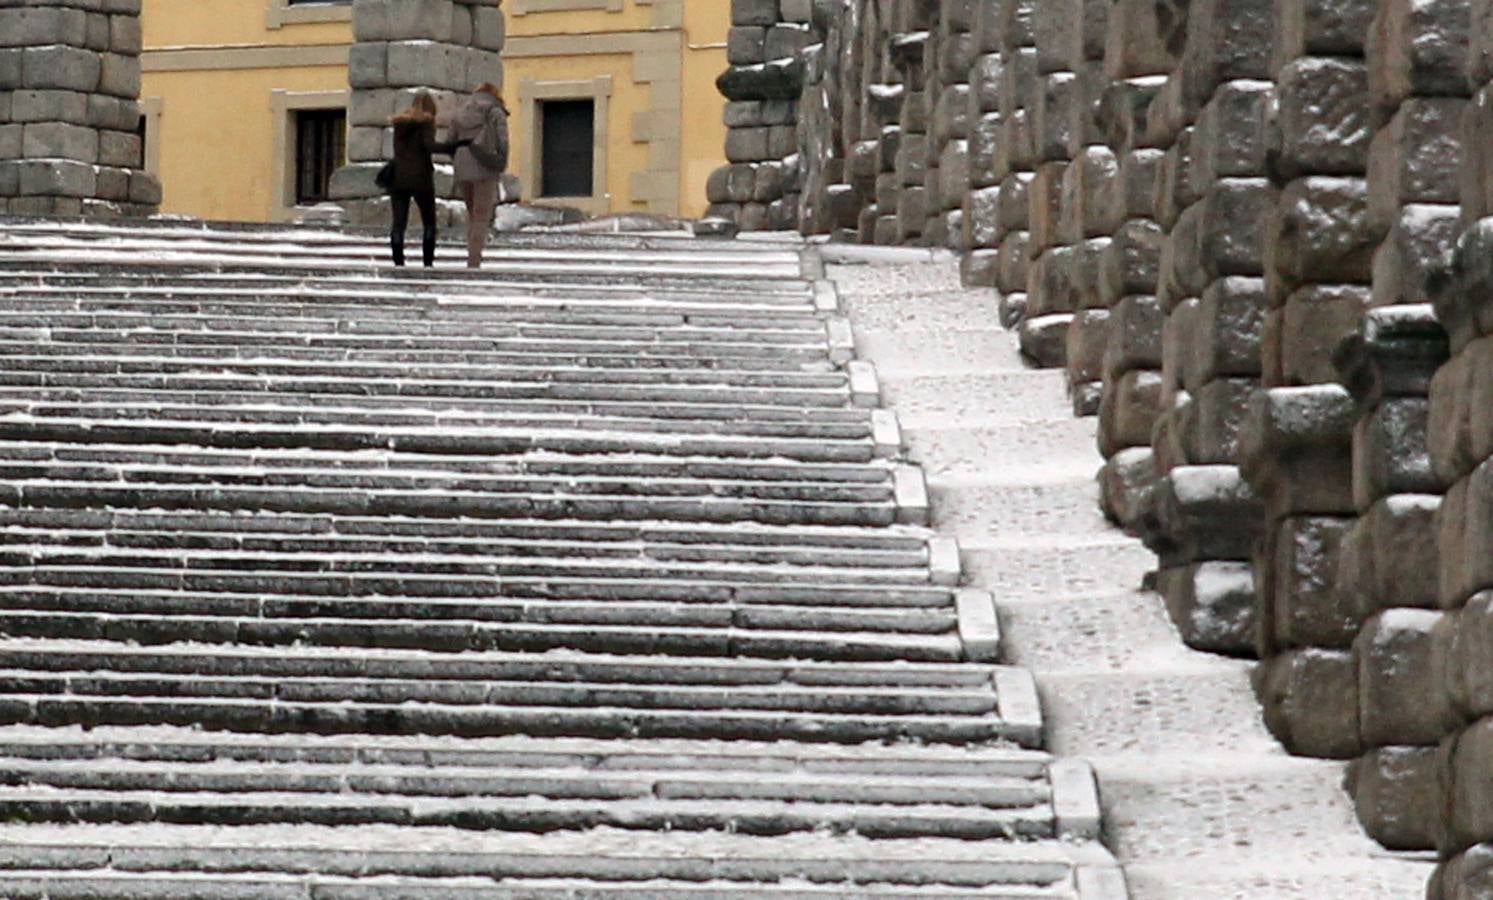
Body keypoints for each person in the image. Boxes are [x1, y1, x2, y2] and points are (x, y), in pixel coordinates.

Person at [385, 92, 462, 268]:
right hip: (421, 179)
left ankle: (398, 262)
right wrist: (452, 147)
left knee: (398, 223)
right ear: (431, 109)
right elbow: (429, 146)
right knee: (429, 222)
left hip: (398, 178)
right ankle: (427, 262)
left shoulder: (400, 124)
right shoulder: (426, 123)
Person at [448, 83, 510, 269]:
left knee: (472, 214)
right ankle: (473, 261)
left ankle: (472, 253)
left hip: (463, 171)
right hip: (485, 168)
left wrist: (459, 161)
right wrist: (500, 162)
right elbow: (502, 141)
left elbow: (450, 142)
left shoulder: (460, 112)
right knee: (481, 217)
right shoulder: (495, 112)